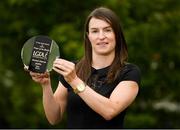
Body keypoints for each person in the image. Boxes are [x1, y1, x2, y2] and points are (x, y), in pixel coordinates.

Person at [29, 7, 141, 128]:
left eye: (107, 30)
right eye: (95, 31)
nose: (101, 36)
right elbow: (54, 118)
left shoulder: (129, 72)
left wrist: (74, 81)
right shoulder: (73, 69)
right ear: (88, 36)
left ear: (117, 34)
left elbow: (110, 111)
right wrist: (46, 85)